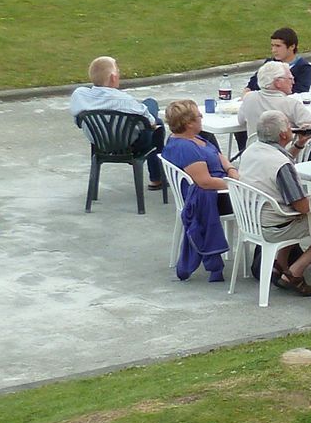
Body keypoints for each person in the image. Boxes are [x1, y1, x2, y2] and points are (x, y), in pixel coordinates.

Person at [233, 109, 311, 294]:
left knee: (286, 210)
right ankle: (295, 272)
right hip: (274, 227)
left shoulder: (252, 150)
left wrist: (298, 145)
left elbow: (276, 164)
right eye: (289, 125)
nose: (292, 128)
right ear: (283, 134)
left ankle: (279, 265)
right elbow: (301, 207)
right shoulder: (281, 165)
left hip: (252, 221)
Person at [162, 99, 234, 280]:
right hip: (215, 196)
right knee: (262, 203)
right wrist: (240, 186)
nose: (202, 117)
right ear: (188, 123)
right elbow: (205, 182)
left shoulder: (192, 138)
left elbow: (220, 156)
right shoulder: (186, 148)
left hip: (221, 185)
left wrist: (231, 170)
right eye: (198, 115)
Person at [70, 55, 167, 189]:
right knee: (155, 116)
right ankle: (156, 179)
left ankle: (157, 179)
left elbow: (78, 122)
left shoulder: (79, 95)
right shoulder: (124, 101)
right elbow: (150, 122)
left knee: (148, 110)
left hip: (100, 144)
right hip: (131, 145)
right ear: (113, 77)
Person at [240, 60, 311, 153]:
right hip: (285, 158)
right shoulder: (291, 104)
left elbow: (241, 121)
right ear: (278, 82)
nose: (293, 82)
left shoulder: (249, 98)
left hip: (254, 154)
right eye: (290, 78)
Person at [243, 27, 311, 94]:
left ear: (292, 46)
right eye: (272, 46)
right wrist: (247, 90)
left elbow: (299, 93)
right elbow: (253, 83)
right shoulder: (270, 63)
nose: (273, 50)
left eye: (278, 46)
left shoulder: (304, 68)